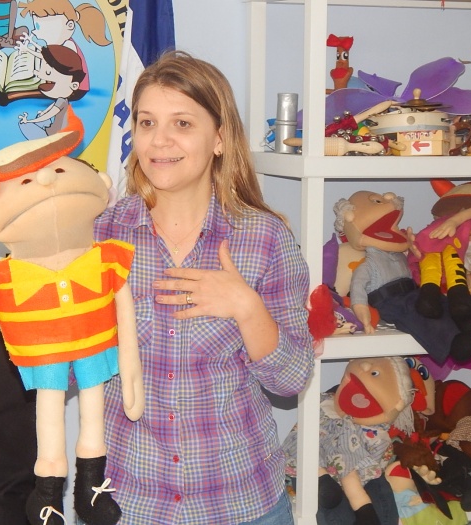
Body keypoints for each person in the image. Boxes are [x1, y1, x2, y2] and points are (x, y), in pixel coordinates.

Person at [93, 50, 314, 525]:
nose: (159, 140)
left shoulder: (264, 238)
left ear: (219, 138)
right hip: (131, 504)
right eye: (147, 123)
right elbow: (70, 372)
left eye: (182, 124)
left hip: (243, 504)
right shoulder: (101, 235)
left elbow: (292, 379)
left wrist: (246, 306)